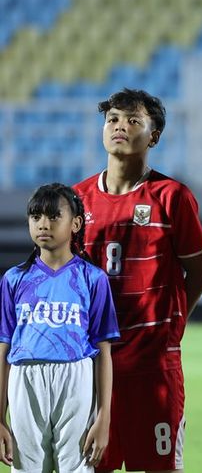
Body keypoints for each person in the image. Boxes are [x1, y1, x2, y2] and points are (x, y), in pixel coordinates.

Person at [74, 88, 202, 473]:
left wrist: (173, 326)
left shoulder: (172, 197)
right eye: (113, 119)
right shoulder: (77, 200)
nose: (120, 127)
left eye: (133, 121)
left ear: (154, 136)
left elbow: (198, 271)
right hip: (91, 369)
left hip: (153, 369)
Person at [0, 184, 119, 471]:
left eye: (54, 216)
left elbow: (104, 352)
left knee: (77, 467)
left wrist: (104, 416)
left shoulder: (93, 279)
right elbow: (3, 348)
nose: (43, 224)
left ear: (75, 223)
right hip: (24, 380)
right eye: (36, 216)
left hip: (76, 377)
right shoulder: (14, 279)